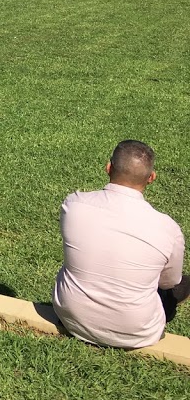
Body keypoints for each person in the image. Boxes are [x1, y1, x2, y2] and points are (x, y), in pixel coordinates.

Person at [52, 140, 190, 349]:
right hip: (137, 332)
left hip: (71, 317)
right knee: (179, 284)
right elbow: (169, 282)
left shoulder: (73, 204)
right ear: (151, 178)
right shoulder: (168, 229)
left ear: (109, 168)